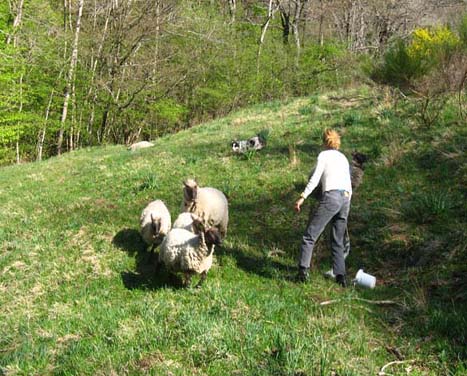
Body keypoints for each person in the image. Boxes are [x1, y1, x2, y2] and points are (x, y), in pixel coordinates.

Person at [294, 129, 352, 287]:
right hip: (346, 198)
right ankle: (341, 277)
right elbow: (349, 183)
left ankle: (303, 272)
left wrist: (302, 197)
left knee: (310, 235)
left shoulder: (324, 155)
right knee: (337, 240)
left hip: (331, 197)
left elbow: (315, 178)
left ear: (324, 142)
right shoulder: (344, 158)